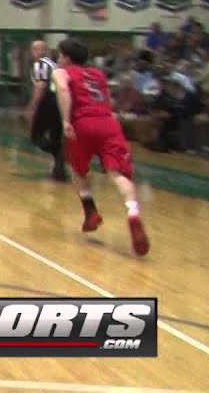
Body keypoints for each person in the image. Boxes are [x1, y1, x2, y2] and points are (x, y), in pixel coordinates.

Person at [52, 38, 149, 257]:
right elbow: (107, 100)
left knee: (77, 170)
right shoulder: (98, 74)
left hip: (82, 124)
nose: (58, 59)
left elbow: (63, 90)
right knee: (119, 173)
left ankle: (90, 212)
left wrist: (66, 120)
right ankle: (133, 213)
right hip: (108, 122)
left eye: (60, 55)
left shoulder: (61, 72)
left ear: (66, 58)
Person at [24, 40, 66, 181]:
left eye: (38, 49)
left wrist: (32, 107)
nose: (35, 52)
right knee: (56, 136)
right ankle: (59, 171)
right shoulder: (53, 64)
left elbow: (40, 87)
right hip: (60, 102)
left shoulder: (40, 64)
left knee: (36, 136)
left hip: (48, 102)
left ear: (44, 50)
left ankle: (59, 154)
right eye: (34, 49)